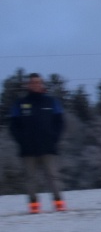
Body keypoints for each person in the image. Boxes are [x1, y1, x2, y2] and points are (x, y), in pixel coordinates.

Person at [8, 73, 65, 213]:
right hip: (28, 149)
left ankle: (59, 204)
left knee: (53, 176)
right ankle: (34, 207)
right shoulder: (20, 103)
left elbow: (60, 122)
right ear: (28, 85)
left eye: (38, 82)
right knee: (30, 179)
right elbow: (13, 126)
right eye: (32, 82)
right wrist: (22, 141)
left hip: (48, 147)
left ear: (42, 84)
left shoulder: (51, 101)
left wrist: (54, 138)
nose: (35, 84)